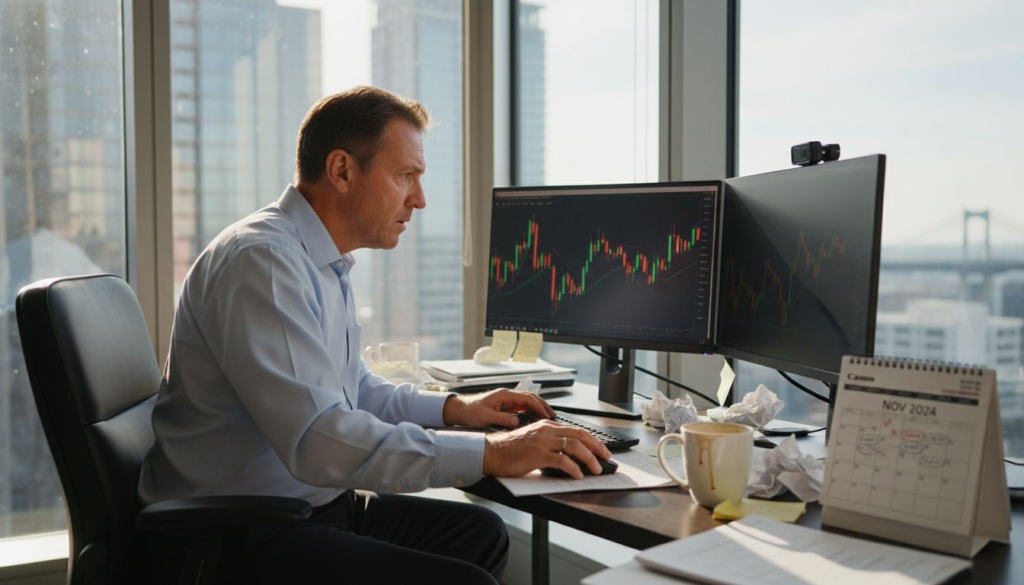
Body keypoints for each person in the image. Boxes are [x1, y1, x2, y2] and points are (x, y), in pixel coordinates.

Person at [138, 86, 612, 585]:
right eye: (405, 175)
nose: (420, 199)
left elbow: (353, 390)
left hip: (300, 507)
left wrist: (457, 410)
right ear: (342, 170)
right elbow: (319, 440)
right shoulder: (265, 262)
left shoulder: (317, 259)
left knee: (482, 535)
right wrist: (492, 452)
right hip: (231, 535)